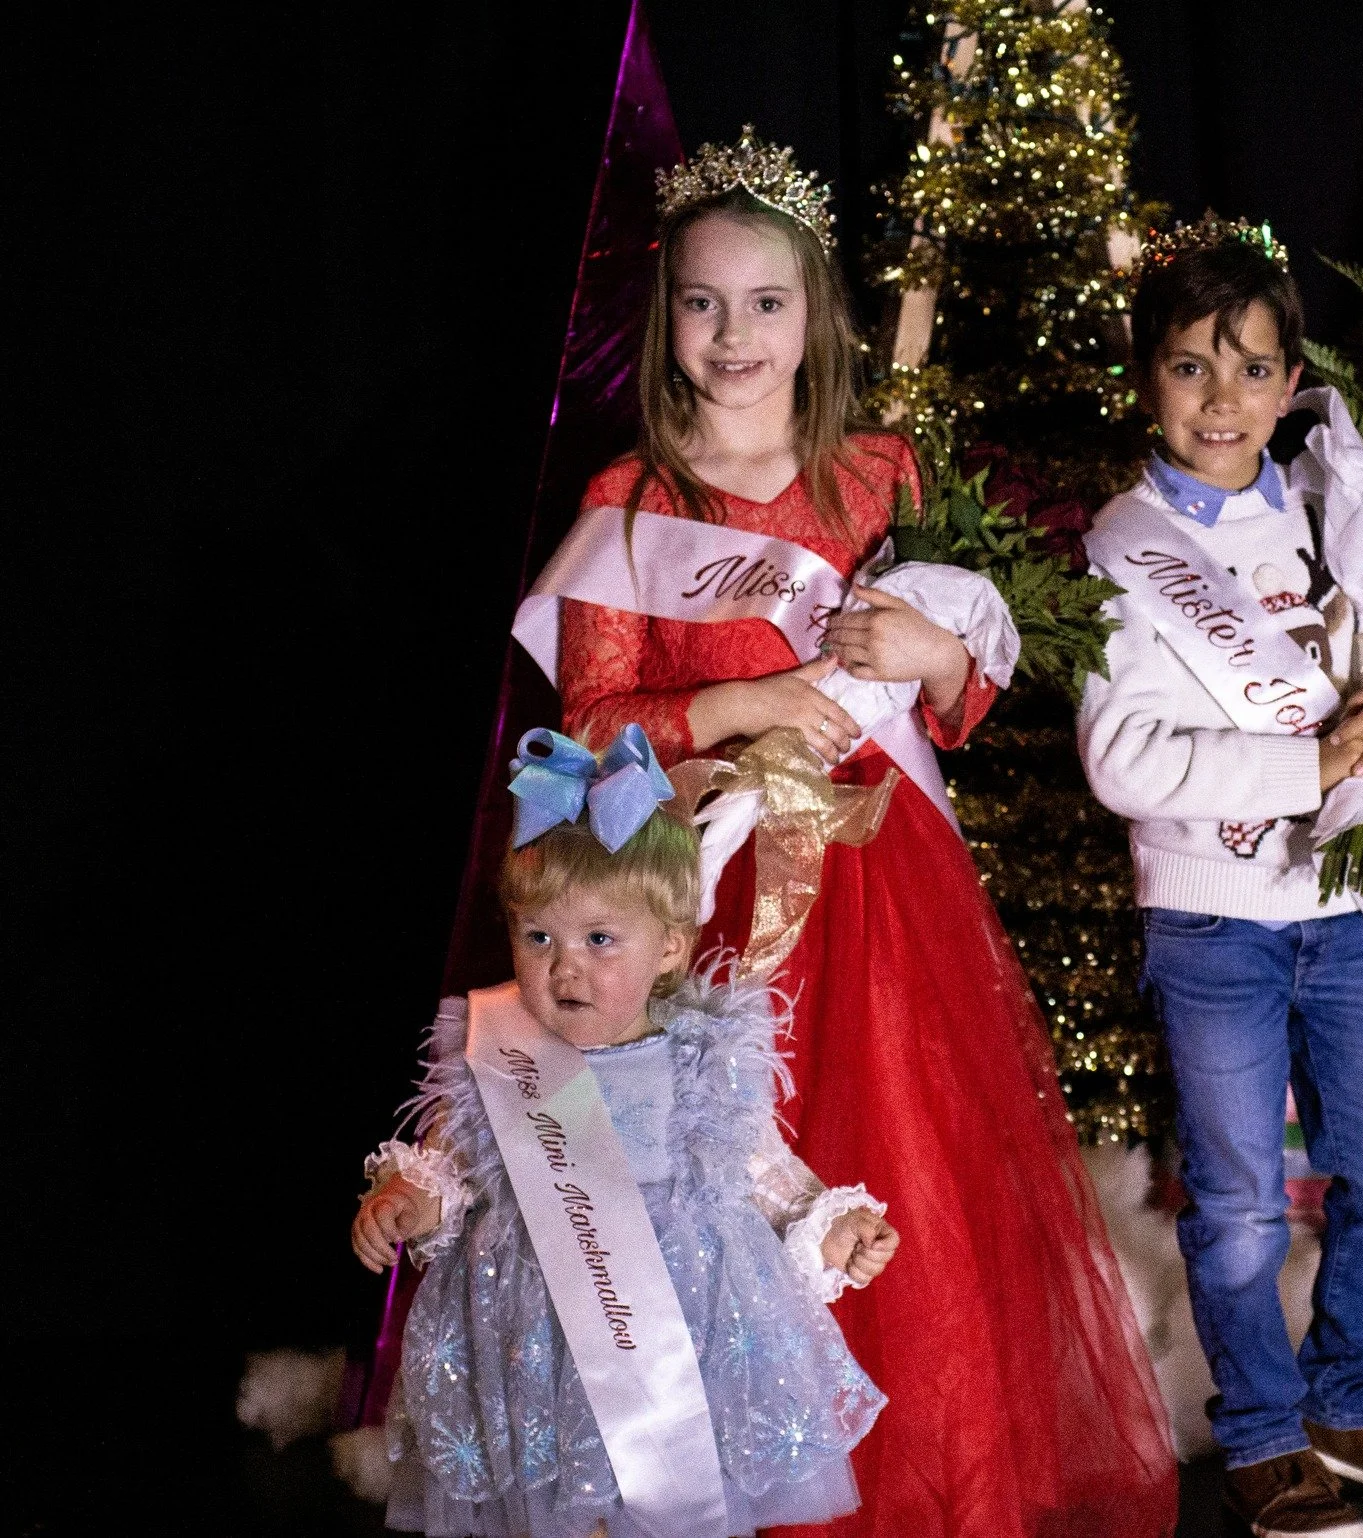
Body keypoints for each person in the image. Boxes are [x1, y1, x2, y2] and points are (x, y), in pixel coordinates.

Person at [511, 130, 1177, 1538]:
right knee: (718, 1183)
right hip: (703, 889)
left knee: (907, 1172)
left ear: (815, 317)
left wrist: (934, 650)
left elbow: (953, 696)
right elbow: (592, 726)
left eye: (765, 303)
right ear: (665, 320)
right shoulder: (628, 502)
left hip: (880, 879)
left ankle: (905, 1481)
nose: (733, 331)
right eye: (703, 302)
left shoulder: (879, 471)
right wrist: (749, 693)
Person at [1076, 218, 1363, 1538]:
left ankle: (1355, 1402)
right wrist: (1308, 762)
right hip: (1215, 919)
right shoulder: (1121, 548)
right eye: (1194, 368)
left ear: (1288, 377)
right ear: (1148, 379)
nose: (1226, 398)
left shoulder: (1345, 500)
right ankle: (1263, 1432)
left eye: (1254, 368)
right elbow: (1123, 757)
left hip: (1359, 904)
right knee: (1244, 1197)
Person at [354, 723, 900, 1538]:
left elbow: (765, 1176)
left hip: (683, 1338)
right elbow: (449, 1173)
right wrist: (407, 1201)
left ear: (671, 948)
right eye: (538, 937)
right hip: (530, 1343)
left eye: (599, 940)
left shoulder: (701, 1061)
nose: (563, 966)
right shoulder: (496, 1058)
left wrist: (833, 1227)